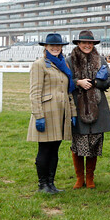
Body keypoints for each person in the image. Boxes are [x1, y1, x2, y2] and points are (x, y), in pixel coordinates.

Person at [28, 33, 76, 194]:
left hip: (61, 114)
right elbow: (35, 93)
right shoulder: (39, 65)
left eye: (58, 46)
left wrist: (73, 113)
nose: (55, 48)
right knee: (45, 149)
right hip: (47, 113)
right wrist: (38, 116)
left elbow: (68, 91)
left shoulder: (63, 65)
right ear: (46, 47)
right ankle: (43, 184)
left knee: (54, 149)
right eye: (52, 46)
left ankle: (51, 183)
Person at [68, 30, 110, 190]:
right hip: (78, 107)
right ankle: (79, 178)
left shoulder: (100, 59)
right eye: (84, 43)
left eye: (90, 43)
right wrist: (78, 82)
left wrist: (96, 83)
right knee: (78, 143)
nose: (87, 45)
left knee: (94, 143)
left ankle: (90, 177)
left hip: (97, 106)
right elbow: (64, 81)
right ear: (78, 44)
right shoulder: (70, 60)